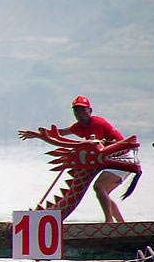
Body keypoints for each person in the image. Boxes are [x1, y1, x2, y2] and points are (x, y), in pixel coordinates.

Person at [20, 95, 130, 223]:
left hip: (122, 158)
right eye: (76, 111)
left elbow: (96, 145)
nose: (79, 114)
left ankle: (109, 221)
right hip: (109, 159)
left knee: (99, 187)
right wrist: (38, 135)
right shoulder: (79, 126)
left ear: (90, 111)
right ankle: (121, 223)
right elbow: (61, 133)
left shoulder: (97, 124)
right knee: (102, 191)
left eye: (83, 110)